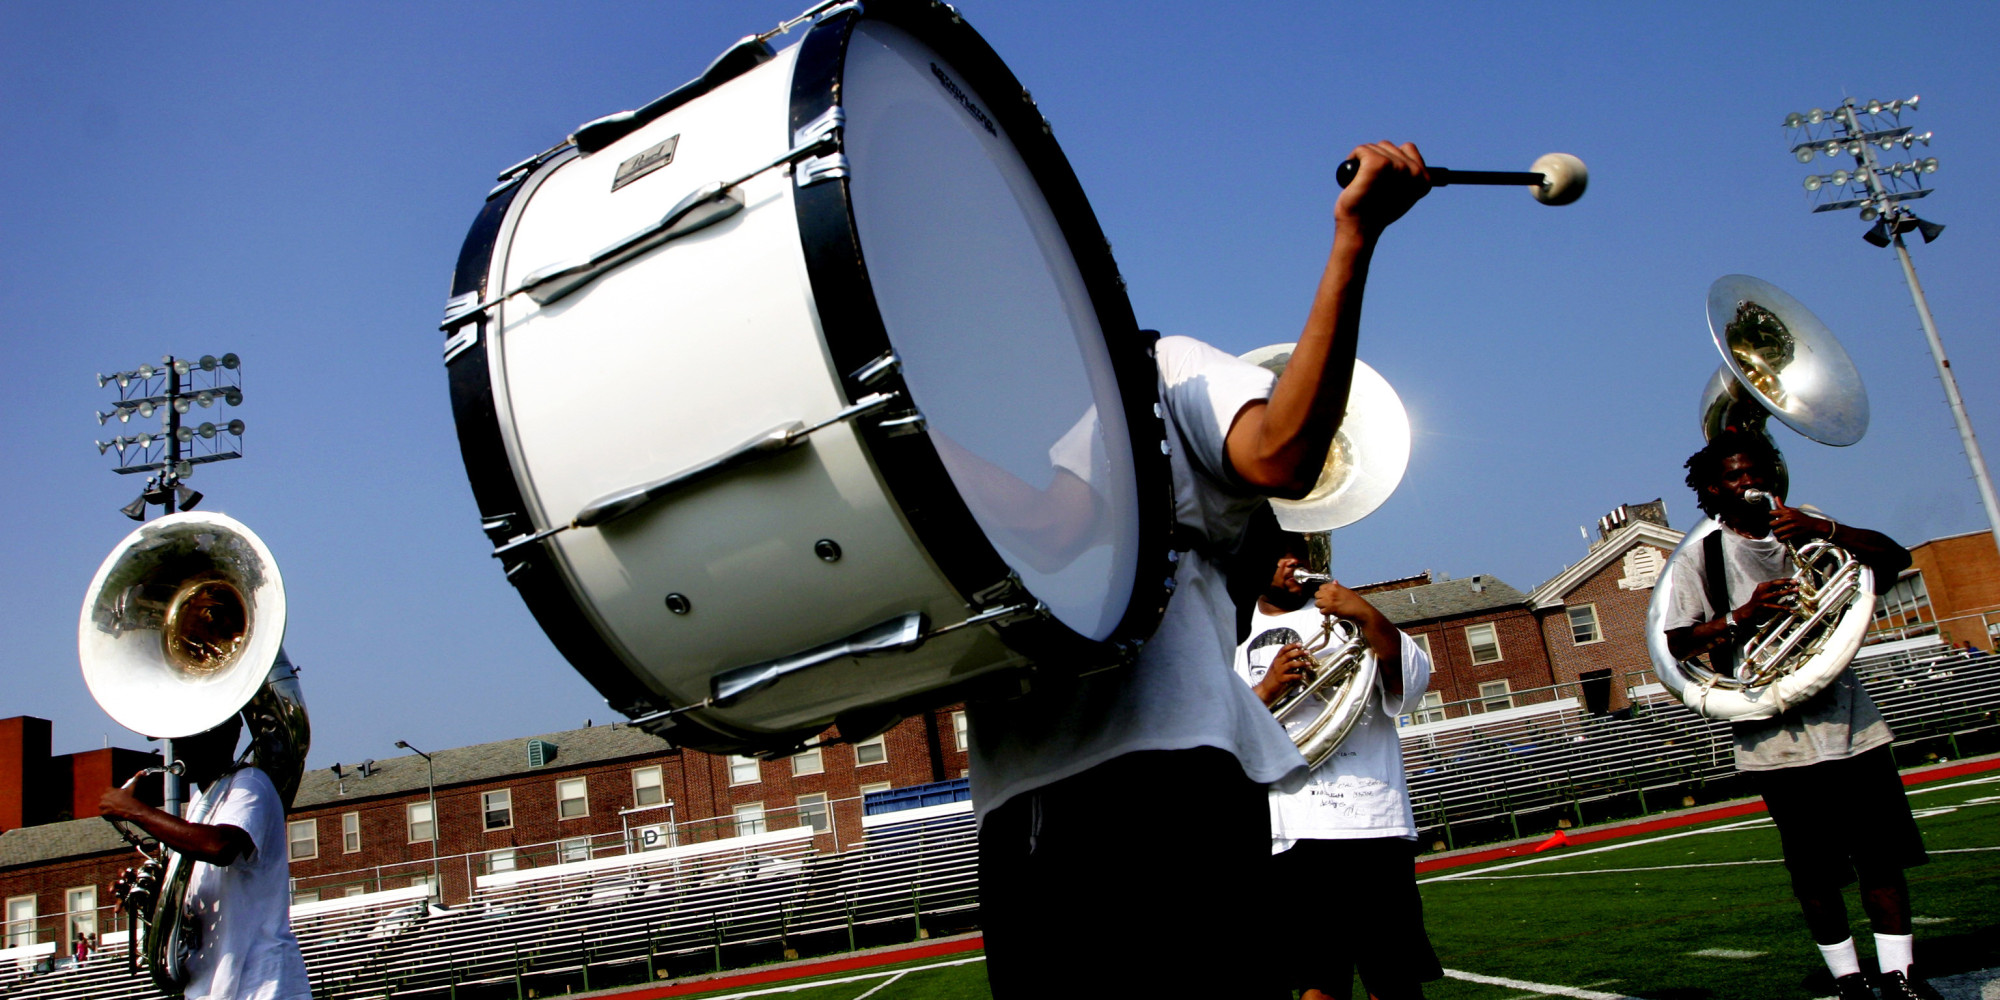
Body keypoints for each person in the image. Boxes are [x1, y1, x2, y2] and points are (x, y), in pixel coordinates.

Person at [967, 141, 1432, 998]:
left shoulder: (1161, 366)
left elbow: (1283, 454)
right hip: (1018, 806)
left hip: (1172, 778)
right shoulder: (960, 422)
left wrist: (1353, 240)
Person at [1656, 429, 1934, 1000]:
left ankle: (1902, 977)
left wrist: (1825, 531)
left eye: (1758, 472)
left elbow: (1893, 558)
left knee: (1882, 862)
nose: (1751, 482)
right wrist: (1742, 617)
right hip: (1775, 740)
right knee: (1817, 874)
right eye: (1736, 475)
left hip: (1852, 725)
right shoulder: (1700, 556)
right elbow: (1675, 644)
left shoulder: (1808, 525)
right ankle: (1850, 982)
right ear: (1713, 488)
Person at [1236, 540, 1442, 1000]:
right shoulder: (1232, 635)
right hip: (1292, 830)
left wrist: (1366, 614)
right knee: (1318, 982)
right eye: (1276, 552)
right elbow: (1226, 731)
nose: (1293, 560)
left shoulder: (1348, 613)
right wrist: (1268, 687)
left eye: (1299, 550)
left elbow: (1409, 689)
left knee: (1393, 979)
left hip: (1374, 821)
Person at [99, 715, 311, 1000]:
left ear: (223, 736)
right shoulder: (201, 801)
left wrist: (135, 811)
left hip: (260, 984)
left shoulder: (250, 784)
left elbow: (219, 847)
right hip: (214, 986)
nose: (175, 747)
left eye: (187, 736)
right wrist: (151, 897)